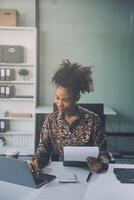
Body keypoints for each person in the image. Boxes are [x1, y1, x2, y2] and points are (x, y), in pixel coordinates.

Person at [29, 59, 109, 174]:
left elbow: (103, 154)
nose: (59, 104)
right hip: (58, 172)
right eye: (57, 97)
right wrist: (36, 161)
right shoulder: (51, 120)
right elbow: (43, 150)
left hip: (86, 172)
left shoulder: (93, 120)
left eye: (66, 100)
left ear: (77, 98)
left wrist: (100, 165)